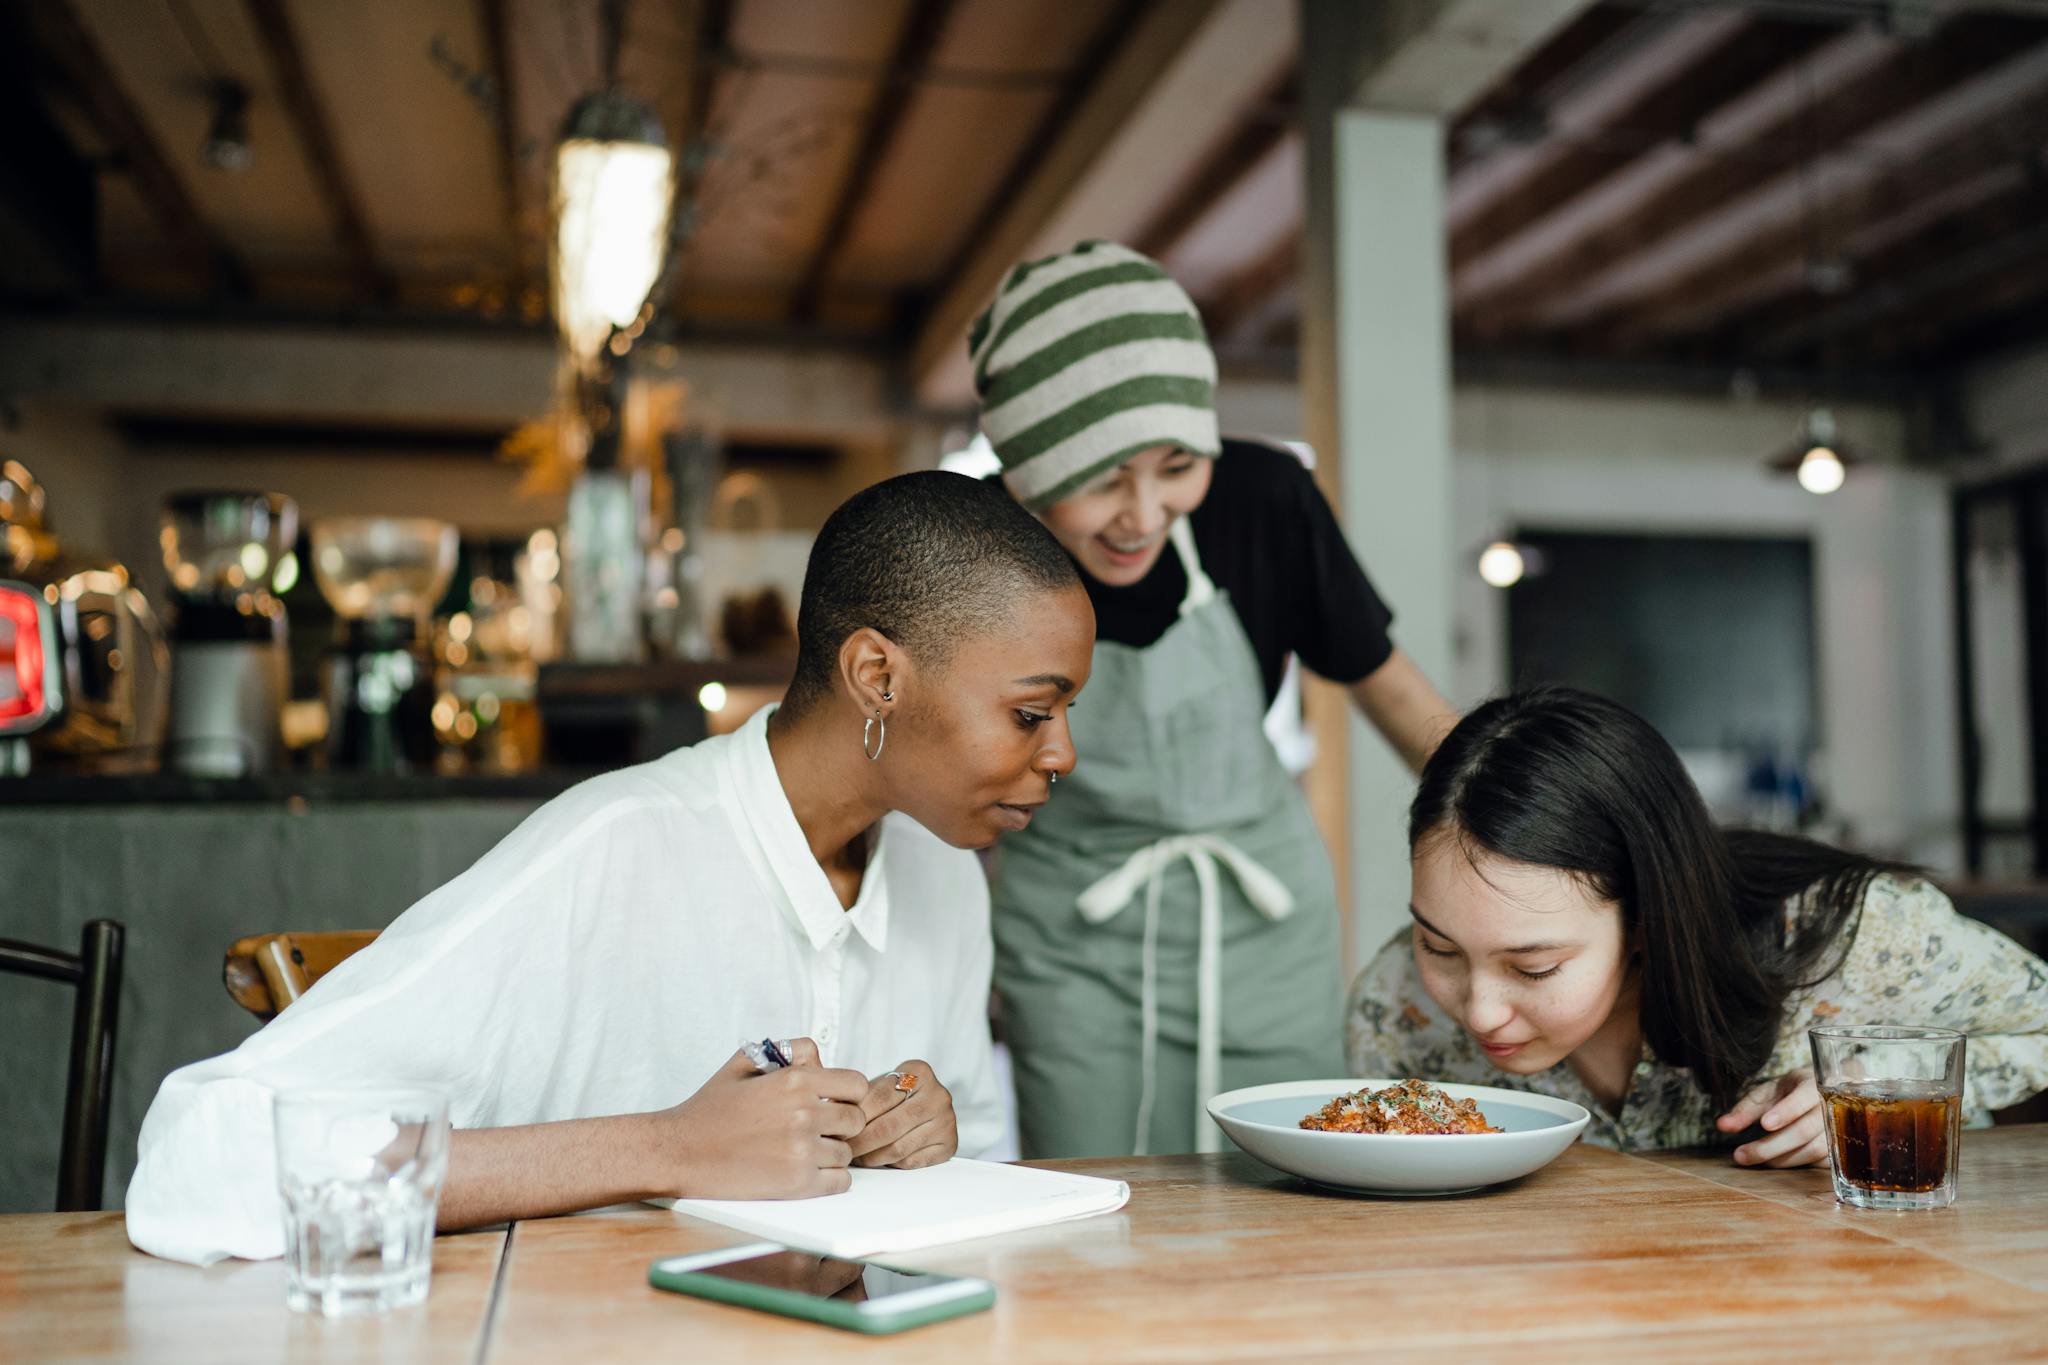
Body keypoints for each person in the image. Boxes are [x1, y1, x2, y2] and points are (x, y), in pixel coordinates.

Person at [126, 472, 1095, 1264]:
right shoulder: (615, 850)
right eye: (1028, 713)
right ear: (876, 676)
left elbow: (976, 1152)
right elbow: (205, 1157)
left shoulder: (945, 874)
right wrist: (666, 1148)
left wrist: (930, 1138)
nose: (1062, 755)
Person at [973, 240, 1458, 1158]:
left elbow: (1396, 695)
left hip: (1266, 926)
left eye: (1174, 465)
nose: (1146, 512)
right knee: (1089, 1199)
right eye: (1100, 477)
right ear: (1023, 470)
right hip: (1072, 937)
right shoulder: (977, 545)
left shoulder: (1262, 498)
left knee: (1286, 1185)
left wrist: (1541, 829)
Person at [1347, 686, 2048, 1161]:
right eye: (1438, 944)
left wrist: (1887, 1082)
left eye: (1533, 966)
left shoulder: (1852, 934)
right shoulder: (1399, 1005)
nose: (1479, 1009)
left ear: (1650, 914)